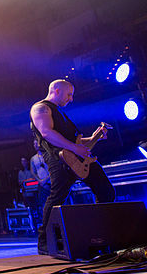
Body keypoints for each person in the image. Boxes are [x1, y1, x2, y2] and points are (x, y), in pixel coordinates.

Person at [30, 79, 115, 254]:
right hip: (58, 158)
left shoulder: (60, 113)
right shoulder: (40, 108)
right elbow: (46, 132)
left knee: (106, 191)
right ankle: (44, 241)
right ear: (56, 90)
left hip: (77, 157)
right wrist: (75, 147)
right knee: (57, 197)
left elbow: (74, 142)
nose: (71, 99)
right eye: (69, 94)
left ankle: (98, 234)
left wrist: (94, 138)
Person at [30, 139, 50, 225]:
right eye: (34, 144)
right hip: (41, 185)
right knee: (43, 204)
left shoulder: (48, 155)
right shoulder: (33, 158)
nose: (35, 145)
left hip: (50, 182)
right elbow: (33, 172)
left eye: (36, 143)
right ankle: (46, 223)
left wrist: (46, 179)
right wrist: (40, 181)